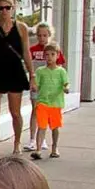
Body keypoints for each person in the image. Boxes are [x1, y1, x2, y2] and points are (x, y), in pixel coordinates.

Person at [0, 0, 33, 156]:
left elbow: (26, 52)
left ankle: (17, 142)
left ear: (13, 8)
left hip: (14, 70)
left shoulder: (21, 27)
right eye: (1, 8)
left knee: (15, 111)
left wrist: (32, 74)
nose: (4, 11)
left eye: (7, 8)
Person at [22, 22, 57, 153]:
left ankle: (43, 138)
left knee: (47, 111)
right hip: (36, 85)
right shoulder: (33, 50)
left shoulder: (53, 50)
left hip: (50, 86)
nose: (42, 38)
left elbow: (60, 67)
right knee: (36, 109)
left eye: (45, 35)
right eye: (39, 35)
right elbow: (28, 66)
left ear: (49, 35)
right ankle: (32, 139)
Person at [32, 46, 69, 158]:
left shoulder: (61, 71)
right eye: (47, 55)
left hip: (55, 103)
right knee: (42, 126)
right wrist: (34, 87)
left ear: (57, 56)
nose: (49, 57)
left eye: (52, 54)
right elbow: (36, 85)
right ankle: (38, 150)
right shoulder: (40, 71)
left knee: (55, 127)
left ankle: (54, 147)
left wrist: (66, 88)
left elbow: (66, 82)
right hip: (43, 102)